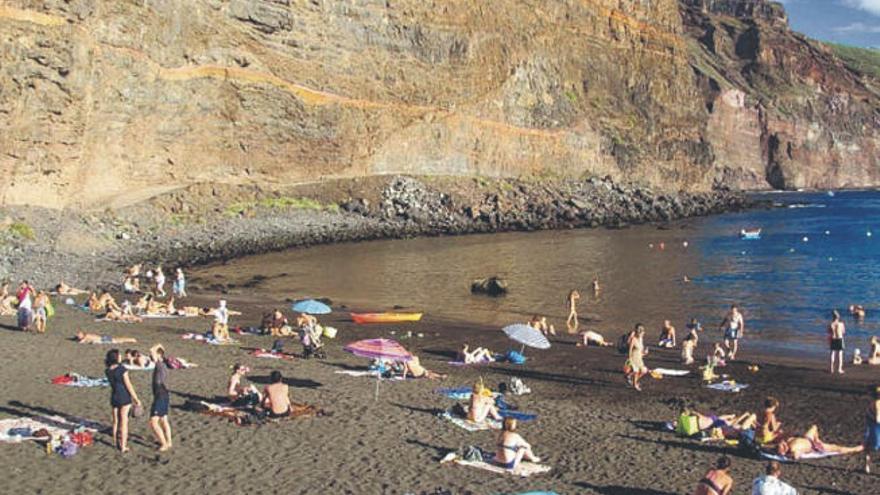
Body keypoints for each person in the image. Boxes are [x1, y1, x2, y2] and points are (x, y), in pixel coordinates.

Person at [105, 349, 141, 453]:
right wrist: (136, 399)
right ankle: (123, 446)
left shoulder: (108, 370)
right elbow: (128, 385)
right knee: (124, 422)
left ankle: (116, 441)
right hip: (124, 396)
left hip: (114, 396)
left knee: (116, 421)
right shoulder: (121, 369)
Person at [774, 425, 863, 460]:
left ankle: (856, 449)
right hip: (808, 441)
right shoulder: (788, 442)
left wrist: (787, 455)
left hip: (811, 443)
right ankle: (856, 448)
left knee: (836, 448)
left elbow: (795, 457)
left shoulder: (792, 448)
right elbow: (796, 456)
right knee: (814, 427)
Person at [148, 345, 172, 451]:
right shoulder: (163, 365)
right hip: (164, 393)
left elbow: (151, 350)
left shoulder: (159, 364)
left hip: (160, 394)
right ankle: (169, 441)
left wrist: (159, 345)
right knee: (164, 420)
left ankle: (164, 444)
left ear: (159, 355)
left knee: (153, 422)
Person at [626, 324, 648, 391]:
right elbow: (629, 350)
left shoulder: (641, 339)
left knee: (644, 371)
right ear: (639, 332)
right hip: (634, 358)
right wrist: (630, 359)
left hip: (639, 358)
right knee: (637, 371)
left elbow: (640, 350)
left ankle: (631, 378)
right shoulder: (633, 339)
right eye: (642, 332)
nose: (643, 334)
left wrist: (644, 353)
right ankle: (635, 384)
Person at [865, 385, 880, 473]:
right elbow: (877, 419)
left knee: (871, 444)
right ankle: (867, 463)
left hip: (873, 425)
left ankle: (867, 463)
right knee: (874, 445)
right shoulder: (877, 404)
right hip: (875, 426)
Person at [828, 310, 846, 374]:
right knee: (840, 354)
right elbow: (843, 332)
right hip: (839, 338)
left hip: (833, 338)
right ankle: (839, 369)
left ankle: (831, 369)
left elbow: (829, 332)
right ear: (838, 317)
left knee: (832, 353)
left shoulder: (831, 324)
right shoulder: (841, 324)